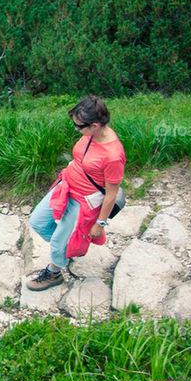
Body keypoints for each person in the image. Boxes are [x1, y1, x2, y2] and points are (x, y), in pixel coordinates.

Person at [25, 95, 125, 291]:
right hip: (66, 186)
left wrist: (100, 223)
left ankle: (53, 273)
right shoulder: (90, 136)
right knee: (37, 221)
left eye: (79, 126)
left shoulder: (113, 156)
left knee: (58, 242)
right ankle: (68, 248)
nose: (76, 129)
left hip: (83, 201)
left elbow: (111, 194)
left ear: (95, 125)